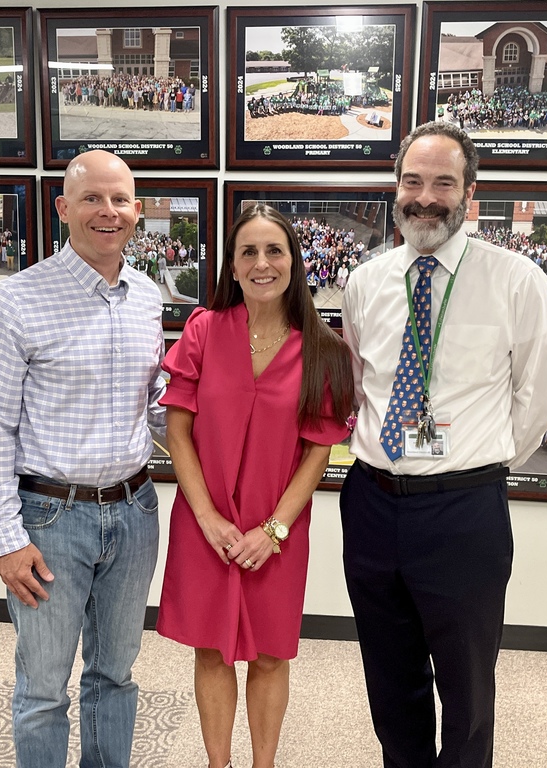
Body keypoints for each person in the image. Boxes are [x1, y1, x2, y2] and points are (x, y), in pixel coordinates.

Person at [340, 120, 547, 768]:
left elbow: (541, 400)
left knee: (466, 690)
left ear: (471, 191)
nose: (426, 197)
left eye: (444, 182)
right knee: (391, 682)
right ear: (395, 187)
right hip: (373, 503)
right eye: (413, 181)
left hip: (464, 511)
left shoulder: (517, 281)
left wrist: (474, 463)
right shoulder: (366, 282)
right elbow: (361, 388)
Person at [0, 150, 166, 768]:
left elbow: (155, 404)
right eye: (92, 199)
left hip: (135, 513)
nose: (108, 213)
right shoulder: (16, 299)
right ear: (63, 208)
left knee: (116, 675)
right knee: (43, 688)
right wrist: (5, 537)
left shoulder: (147, 297)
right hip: (51, 521)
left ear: (136, 211)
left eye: (120, 200)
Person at [156, 204, 354, 768]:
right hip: (205, 523)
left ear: (295, 261)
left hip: (277, 530)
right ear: (234, 266)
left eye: (275, 251)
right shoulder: (203, 330)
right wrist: (209, 518)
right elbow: (178, 428)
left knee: (269, 654)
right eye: (249, 252)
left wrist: (273, 529)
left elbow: (320, 449)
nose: (262, 263)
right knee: (212, 650)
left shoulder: (324, 350)